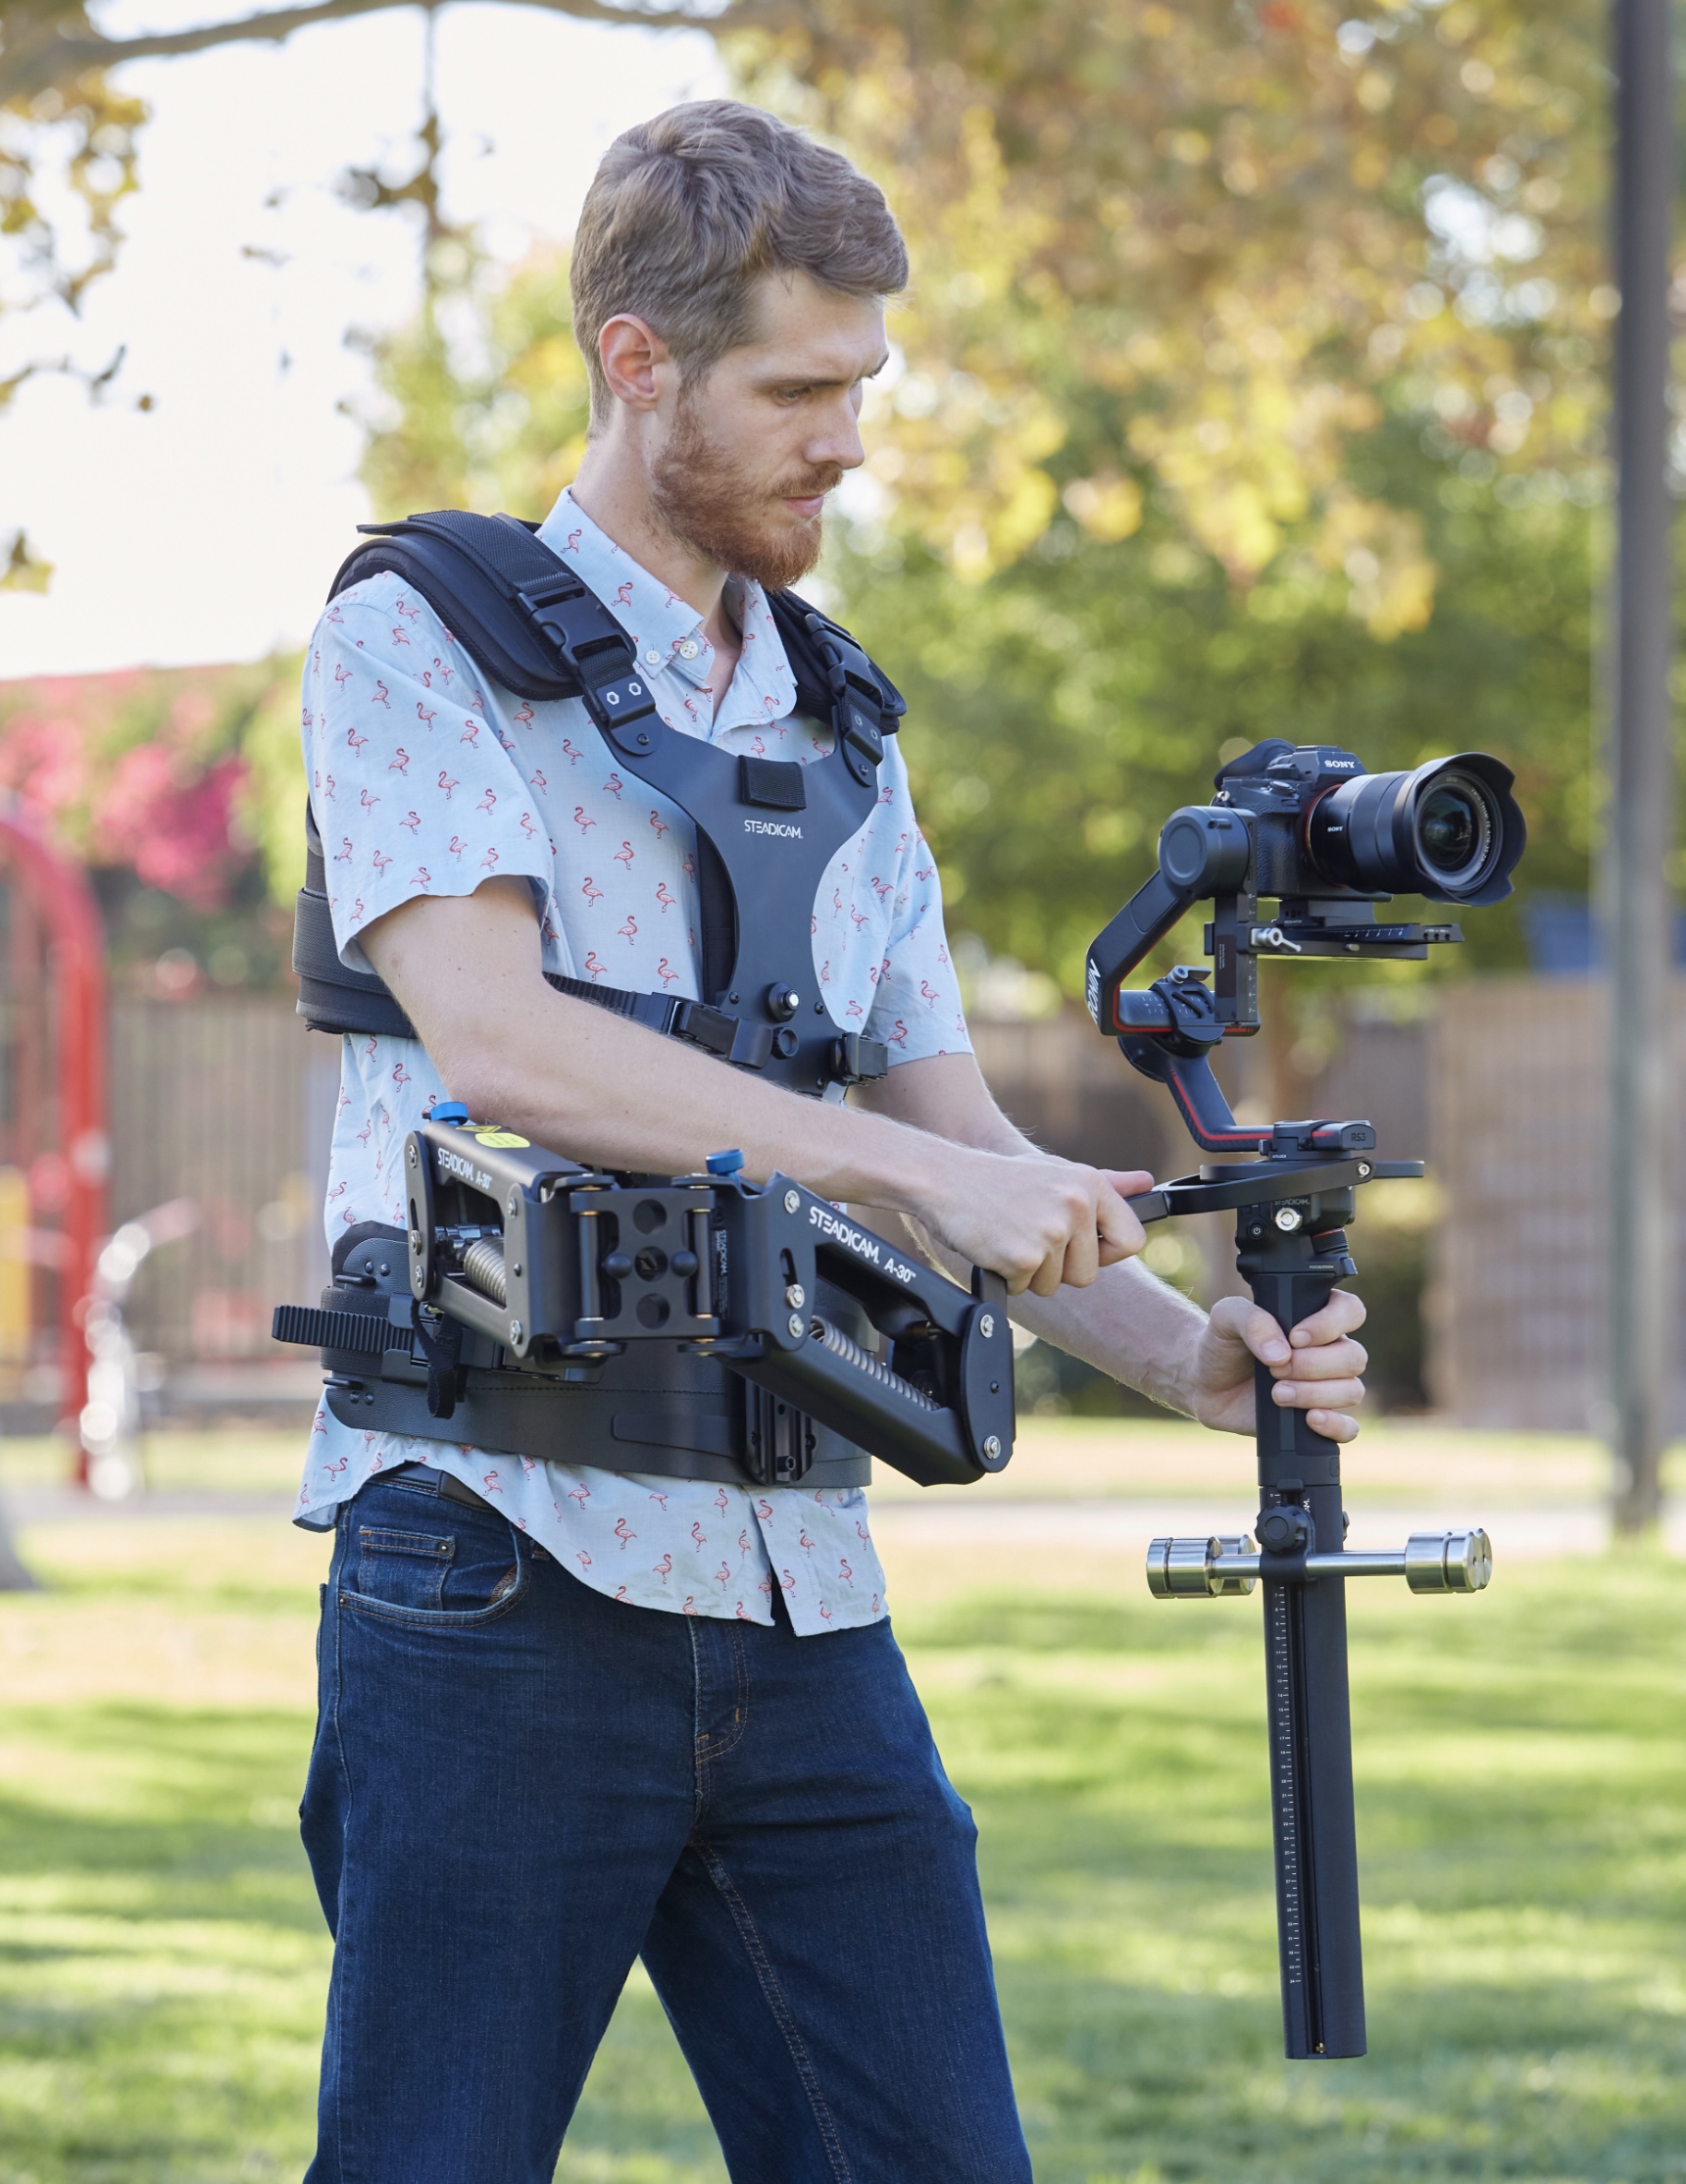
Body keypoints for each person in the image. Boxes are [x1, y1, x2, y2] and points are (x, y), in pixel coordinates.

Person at [292, 99, 1367, 2184]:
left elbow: (955, 1134)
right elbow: (500, 1041)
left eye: (861, 385)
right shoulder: (416, 636)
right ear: (637, 361)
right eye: (798, 391)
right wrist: (915, 1175)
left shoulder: (843, 726)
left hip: (801, 1592)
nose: (847, 440)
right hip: (501, 1564)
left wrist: (1191, 1359)